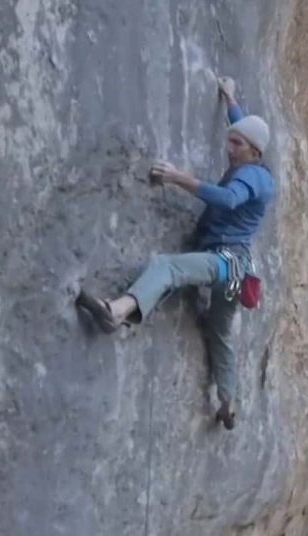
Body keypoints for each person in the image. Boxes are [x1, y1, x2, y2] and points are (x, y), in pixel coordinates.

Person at [76, 76, 275, 430]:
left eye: (236, 144)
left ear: (254, 152)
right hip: (236, 274)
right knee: (219, 331)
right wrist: (230, 99)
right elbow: (243, 127)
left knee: (167, 267)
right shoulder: (252, 158)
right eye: (230, 140)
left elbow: (229, 199)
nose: (229, 148)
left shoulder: (255, 179)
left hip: (226, 264)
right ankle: (228, 402)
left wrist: (178, 177)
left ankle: (115, 311)